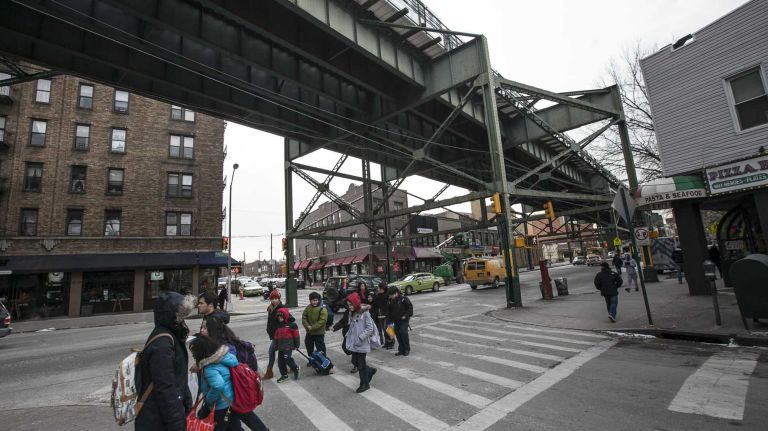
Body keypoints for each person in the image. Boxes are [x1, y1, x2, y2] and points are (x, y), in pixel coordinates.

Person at [135, 291, 195, 431]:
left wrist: (186, 400)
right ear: (171, 316)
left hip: (162, 416)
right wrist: (176, 424)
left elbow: (177, 378)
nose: (183, 321)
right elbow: (165, 388)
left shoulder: (169, 336)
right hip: (157, 420)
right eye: (180, 317)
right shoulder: (163, 344)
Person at [200, 317, 268, 431]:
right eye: (202, 327)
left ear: (213, 331)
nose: (201, 330)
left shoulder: (221, 350)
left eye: (205, 328)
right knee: (239, 419)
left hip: (230, 395)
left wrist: (208, 400)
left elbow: (220, 382)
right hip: (230, 395)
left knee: (243, 416)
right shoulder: (213, 349)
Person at [189, 335, 242, 431]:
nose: (193, 356)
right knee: (235, 427)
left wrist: (208, 400)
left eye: (194, 354)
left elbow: (218, 386)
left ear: (201, 353)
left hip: (221, 405)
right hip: (230, 400)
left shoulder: (210, 368)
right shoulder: (223, 358)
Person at [345, 292, 378, 393]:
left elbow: (370, 328)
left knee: (361, 364)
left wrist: (360, 338)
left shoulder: (365, 313)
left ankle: (365, 384)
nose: (349, 307)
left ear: (355, 303)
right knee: (354, 361)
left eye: (351, 304)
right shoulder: (353, 312)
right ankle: (370, 371)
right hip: (354, 342)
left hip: (362, 342)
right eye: (348, 305)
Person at [263, 290, 286, 380]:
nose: (274, 300)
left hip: (279, 335)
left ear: (279, 299)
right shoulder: (270, 308)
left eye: (276, 298)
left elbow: (289, 318)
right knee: (282, 351)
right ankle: (291, 367)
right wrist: (268, 329)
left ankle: (269, 372)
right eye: (272, 298)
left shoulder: (281, 308)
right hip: (274, 334)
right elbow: (270, 322)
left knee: (271, 351)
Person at [273, 308, 301, 383]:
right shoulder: (279, 325)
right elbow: (276, 336)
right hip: (281, 346)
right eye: (278, 317)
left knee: (287, 358)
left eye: (281, 317)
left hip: (288, 346)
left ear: (285, 316)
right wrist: (275, 346)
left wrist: (297, 345)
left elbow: (296, 336)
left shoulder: (292, 325)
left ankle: (295, 368)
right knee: (280, 361)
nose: (280, 319)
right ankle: (284, 375)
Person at [301, 291, 328, 361]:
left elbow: (322, 321)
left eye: (315, 300)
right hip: (310, 332)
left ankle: (323, 361)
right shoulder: (308, 307)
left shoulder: (322, 308)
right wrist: (307, 326)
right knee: (309, 345)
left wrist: (312, 327)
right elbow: (304, 317)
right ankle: (312, 359)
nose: (314, 302)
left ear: (318, 300)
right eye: (312, 300)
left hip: (319, 332)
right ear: (310, 300)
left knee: (320, 348)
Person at [387, 286, 413, 356]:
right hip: (396, 320)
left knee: (403, 333)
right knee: (398, 335)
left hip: (404, 320)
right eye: (390, 295)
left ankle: (407, 349)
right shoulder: (390, 300)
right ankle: (401, 349)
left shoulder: (403, 299)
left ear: (396, 293)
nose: (390, 296)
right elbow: (389, 312)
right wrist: (389, 322)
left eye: (391, 295)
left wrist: (405, 315)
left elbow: (410, 308)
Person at [371, 282, 390, 349]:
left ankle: (391, 342)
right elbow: (375, 304)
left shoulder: (387, 295)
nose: (377, 289)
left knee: (388, 329)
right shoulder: (378, 295)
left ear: (382, 288)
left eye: (379, 287)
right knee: (382, 330)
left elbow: (385, 305)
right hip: (379, 315)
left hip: (386, 315)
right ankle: (385, 342)